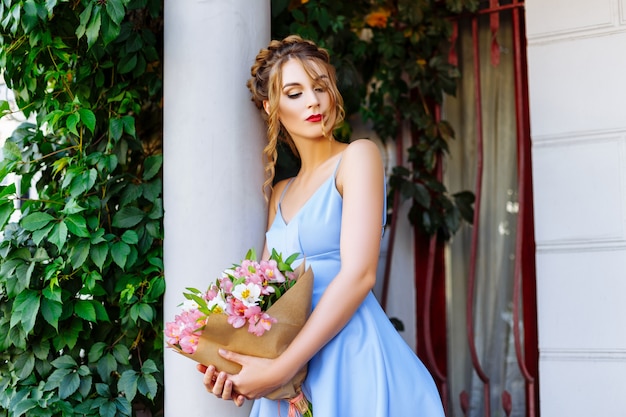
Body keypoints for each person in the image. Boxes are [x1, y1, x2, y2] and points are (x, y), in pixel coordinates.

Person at [197, 35, 446, 417]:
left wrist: (279, 369)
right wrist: (230, 364)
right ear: (270, 107)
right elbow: (265, 300)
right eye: (294, 93)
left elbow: (359, 275)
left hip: (352, 355)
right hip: (292, 376)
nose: (313, 101)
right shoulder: (279, 193)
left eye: (320, 87)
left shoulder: (358, 157)